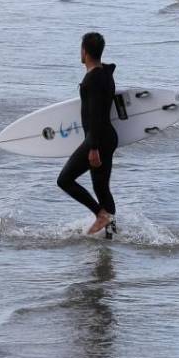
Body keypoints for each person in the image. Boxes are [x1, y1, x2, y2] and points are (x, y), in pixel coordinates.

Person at [56, 31, 118, 236]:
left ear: (84, 51)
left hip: (97, 139)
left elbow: (96, 116)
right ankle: (111, 234)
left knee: (64, 180)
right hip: (106, 137)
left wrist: (92, 148)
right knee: (101, 189)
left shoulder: (93, 80)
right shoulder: (105, 74)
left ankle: (101, 215)